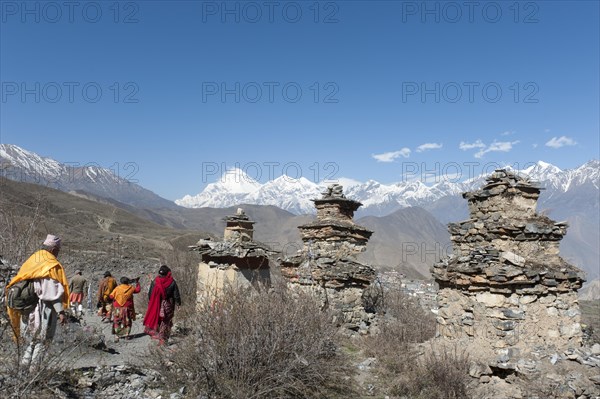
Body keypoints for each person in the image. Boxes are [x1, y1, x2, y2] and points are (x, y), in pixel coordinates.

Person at [5, 234, 70, 365]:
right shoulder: (50, 264)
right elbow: (51, 292)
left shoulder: (32, 259)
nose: (57, 253)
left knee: (32, 341)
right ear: (53, 249)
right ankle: (35, 371)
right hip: (43, 309)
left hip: (27, 308)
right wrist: (61, 312)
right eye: (57, 250)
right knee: (42, 340)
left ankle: (24, 367)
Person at [143, 265, 181, 345]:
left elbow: (150, 294)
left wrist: (151, 303)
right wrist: (178, 303)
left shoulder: (155, 281)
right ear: (168, 273)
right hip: (168, 304)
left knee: (158, 320)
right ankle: (163, 339)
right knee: (166, 321)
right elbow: (176, 294)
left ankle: (157, 336)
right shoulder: (172, 281)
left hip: (157, 304)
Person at [109, 276, 140, 342]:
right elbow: (138, 290)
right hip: (127, 308)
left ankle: (117, 336)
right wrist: (137, 283)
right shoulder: (131, 288)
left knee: (117, 321)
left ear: (121, 282)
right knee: (127, 321)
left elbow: (111, 296)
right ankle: (126, 335)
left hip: (117, 307)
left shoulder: (117, 288)